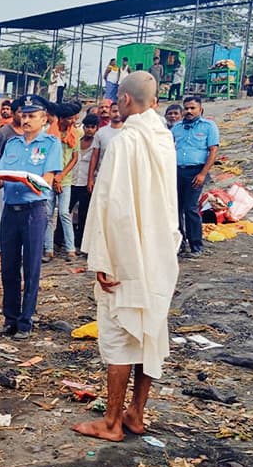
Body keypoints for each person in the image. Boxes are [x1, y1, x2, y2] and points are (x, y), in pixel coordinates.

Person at [73, 71, 181, 442]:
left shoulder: (125, 141)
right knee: (148, 330)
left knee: (120, 337)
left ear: (123, 100)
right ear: (153, 102)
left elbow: (113, 206)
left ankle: (112, 422)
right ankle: (136, 414)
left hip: (128, 254)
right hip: (159, 251)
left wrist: (104, 259)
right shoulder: (163, 138)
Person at [0, 95, 61, 340]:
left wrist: (26, 181)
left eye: (32, 115)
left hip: (33, 211)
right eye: (24, 115)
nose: (26, 119)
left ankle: (25, 321)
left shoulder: (51, 144)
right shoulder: (12, 144)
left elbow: (47, 183)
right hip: (11, 209)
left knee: (31, 267)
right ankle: (9, 318)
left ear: (44, 119)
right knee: (8, 266)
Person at [173, 95, 219, 258]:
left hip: (196, 172)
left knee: (190, 208)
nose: (189, 111)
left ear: (201, 109)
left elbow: (213, 151)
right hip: (176, 171)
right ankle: (179, 243)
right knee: (175, 209)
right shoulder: (176, 128)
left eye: (192, 108)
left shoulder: (208, 126)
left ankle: (196, 246)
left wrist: (203, 174)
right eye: (186, 108)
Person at [43, 101, 80, 263]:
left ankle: (70, 249)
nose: (72, 121)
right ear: (62, 119)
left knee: (65, 213)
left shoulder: (75, 133)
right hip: (50, 178)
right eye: (70, 118)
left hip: (65, 179)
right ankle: (48, 249)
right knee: (49, 215)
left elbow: (75, 158)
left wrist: (61, 176)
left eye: (73, 118)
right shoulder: (48, 134)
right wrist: (54, 177)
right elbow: (45, 157)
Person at [69, 113, 97, 253]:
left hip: (86, 182)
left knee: (83, 214)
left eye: (93, 127)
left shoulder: (96, 146)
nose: (89, 130)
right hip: (73, 181)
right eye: (87, 127)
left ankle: (80, 243)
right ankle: (61, 240)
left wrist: (91, 181)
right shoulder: (77, 141)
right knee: (66, 211)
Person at [88, 102, 124, 192]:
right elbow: (94, 156)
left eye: (120, 111)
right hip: (102, 177)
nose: (117, 114)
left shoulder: (129, 132)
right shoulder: (101, 133)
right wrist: (90, 179)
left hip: (122, 178)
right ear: (110, 113)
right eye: (114, 111)